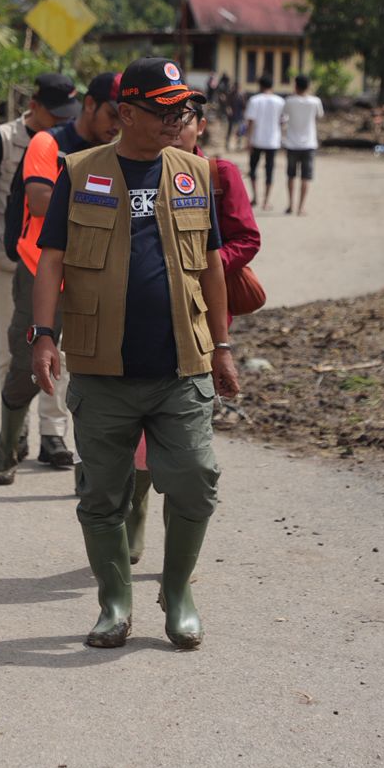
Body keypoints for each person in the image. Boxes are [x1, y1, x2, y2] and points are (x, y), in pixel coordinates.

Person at [31, 56, 242, 651]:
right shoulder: (81, 171)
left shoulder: (194, 173)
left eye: (184, 107)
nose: (180, 117)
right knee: (102, 493)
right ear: (126, 113)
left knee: (196, 478)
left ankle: (178, 594)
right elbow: (51, 259)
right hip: (103, 368)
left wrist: (223, 346)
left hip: (182, 364)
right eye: (165, 109)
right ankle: (114, 602)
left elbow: (209, 266)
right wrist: (42, 335)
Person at [125, 101, 260, 566]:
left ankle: (176, 551)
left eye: (183, 119)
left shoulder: (217, 174)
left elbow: (247, 239)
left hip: (204, 314)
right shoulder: (129, 166)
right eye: (168, 117)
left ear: (199, 125)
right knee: (143, 420)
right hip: (146, 315)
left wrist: (198, 269)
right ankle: (136, 507)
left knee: (187, 427)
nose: (174, 127)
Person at [0, 71, 120, 485]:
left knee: (93, 374)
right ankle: (8, 444)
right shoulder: (50, 142)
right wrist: (103, 198)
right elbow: (41, 201)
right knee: (28, 367)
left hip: (97, 273)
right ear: (90, 105)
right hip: (40, 271)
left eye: (127, 114)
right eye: (113, 112)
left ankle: (87, 466)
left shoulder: (121, 151)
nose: (118, 123)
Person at [0, 74, 78, 468]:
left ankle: (53, 434)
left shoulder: (69, 144)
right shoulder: (4, 139)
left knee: (53, 348)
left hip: (54, 262)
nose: (58, 120)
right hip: (8, 259)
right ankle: (16, 433)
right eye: (54, 112)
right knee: (12, 351)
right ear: (36, 106)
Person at [280, 73, 325, 216]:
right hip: (309, 144)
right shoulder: (315, 101)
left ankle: (290, 205)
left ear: (295, 85)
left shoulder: (289, 101)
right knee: (306, 177)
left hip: (292, 144)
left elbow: (283, 116)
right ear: (309, 86)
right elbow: (320, 116)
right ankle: (301, 207)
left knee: (291, 175)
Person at [242, 74, 284, 209]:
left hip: (256, 140)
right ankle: (266, 201)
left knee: (253, 168)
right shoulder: (280, 101)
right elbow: (283, 121)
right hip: (273, 141)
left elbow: (250, 122)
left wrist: (248, 140)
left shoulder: (255, 100)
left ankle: (255, 197)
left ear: (260, 85)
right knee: (269, 170)